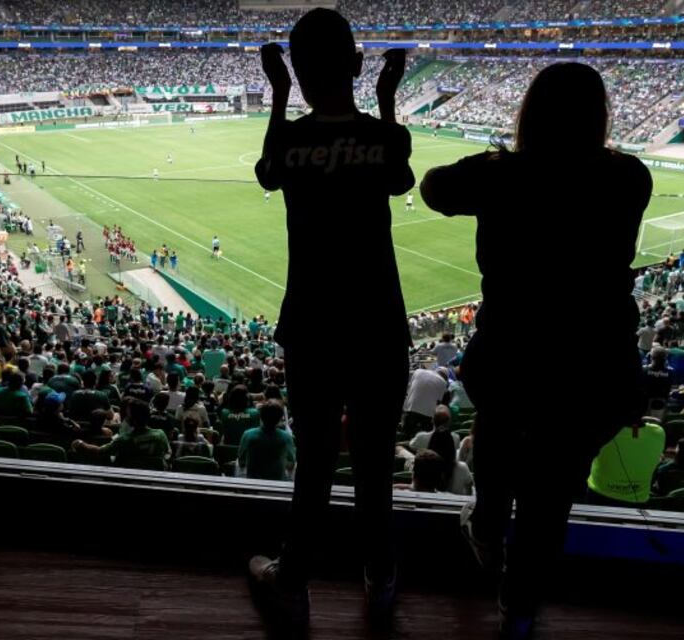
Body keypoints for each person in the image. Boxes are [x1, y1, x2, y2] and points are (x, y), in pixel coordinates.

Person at [421, 62, 652, 638]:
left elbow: (433, 187)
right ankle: (518, 606)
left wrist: (497, 159)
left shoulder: (504, 175)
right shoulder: (629, 176)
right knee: (553, 492)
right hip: (596, 362)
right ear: (598, 117)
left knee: (499, 434)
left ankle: (489, 529)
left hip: (513, 352)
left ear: (531, 113)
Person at [248, 9, 414, 625]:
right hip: (379, 323)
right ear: (357, 63)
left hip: (314, 323)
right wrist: (386, 100)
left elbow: (268, 172)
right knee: (374, 463)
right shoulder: (385, 139)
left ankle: (293, 579)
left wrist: (279, 95)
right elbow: (399, 178)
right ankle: (381, 576)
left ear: (297, 70)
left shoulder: (290, 141)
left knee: (315, 460)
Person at [586, 422, 666, 506]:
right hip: (637, 503)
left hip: (598, 497)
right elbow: (634, 433)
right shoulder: (658, 433)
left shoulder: (601, 431)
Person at [238, 399, 297, 481]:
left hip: (253, 484)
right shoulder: (286, 437)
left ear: (261, 415)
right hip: (277, 484)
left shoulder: (248, 434)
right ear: (280, 419)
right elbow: (291, 464)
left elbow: (241, 462)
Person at [402, 367, 448, 438]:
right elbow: (439, 402)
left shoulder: (418, 371)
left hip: (411, 408)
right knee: (426, 437)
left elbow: (411, 386)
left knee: (406, 434)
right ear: (445, 377)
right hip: (428, 414)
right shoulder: (443, 382)